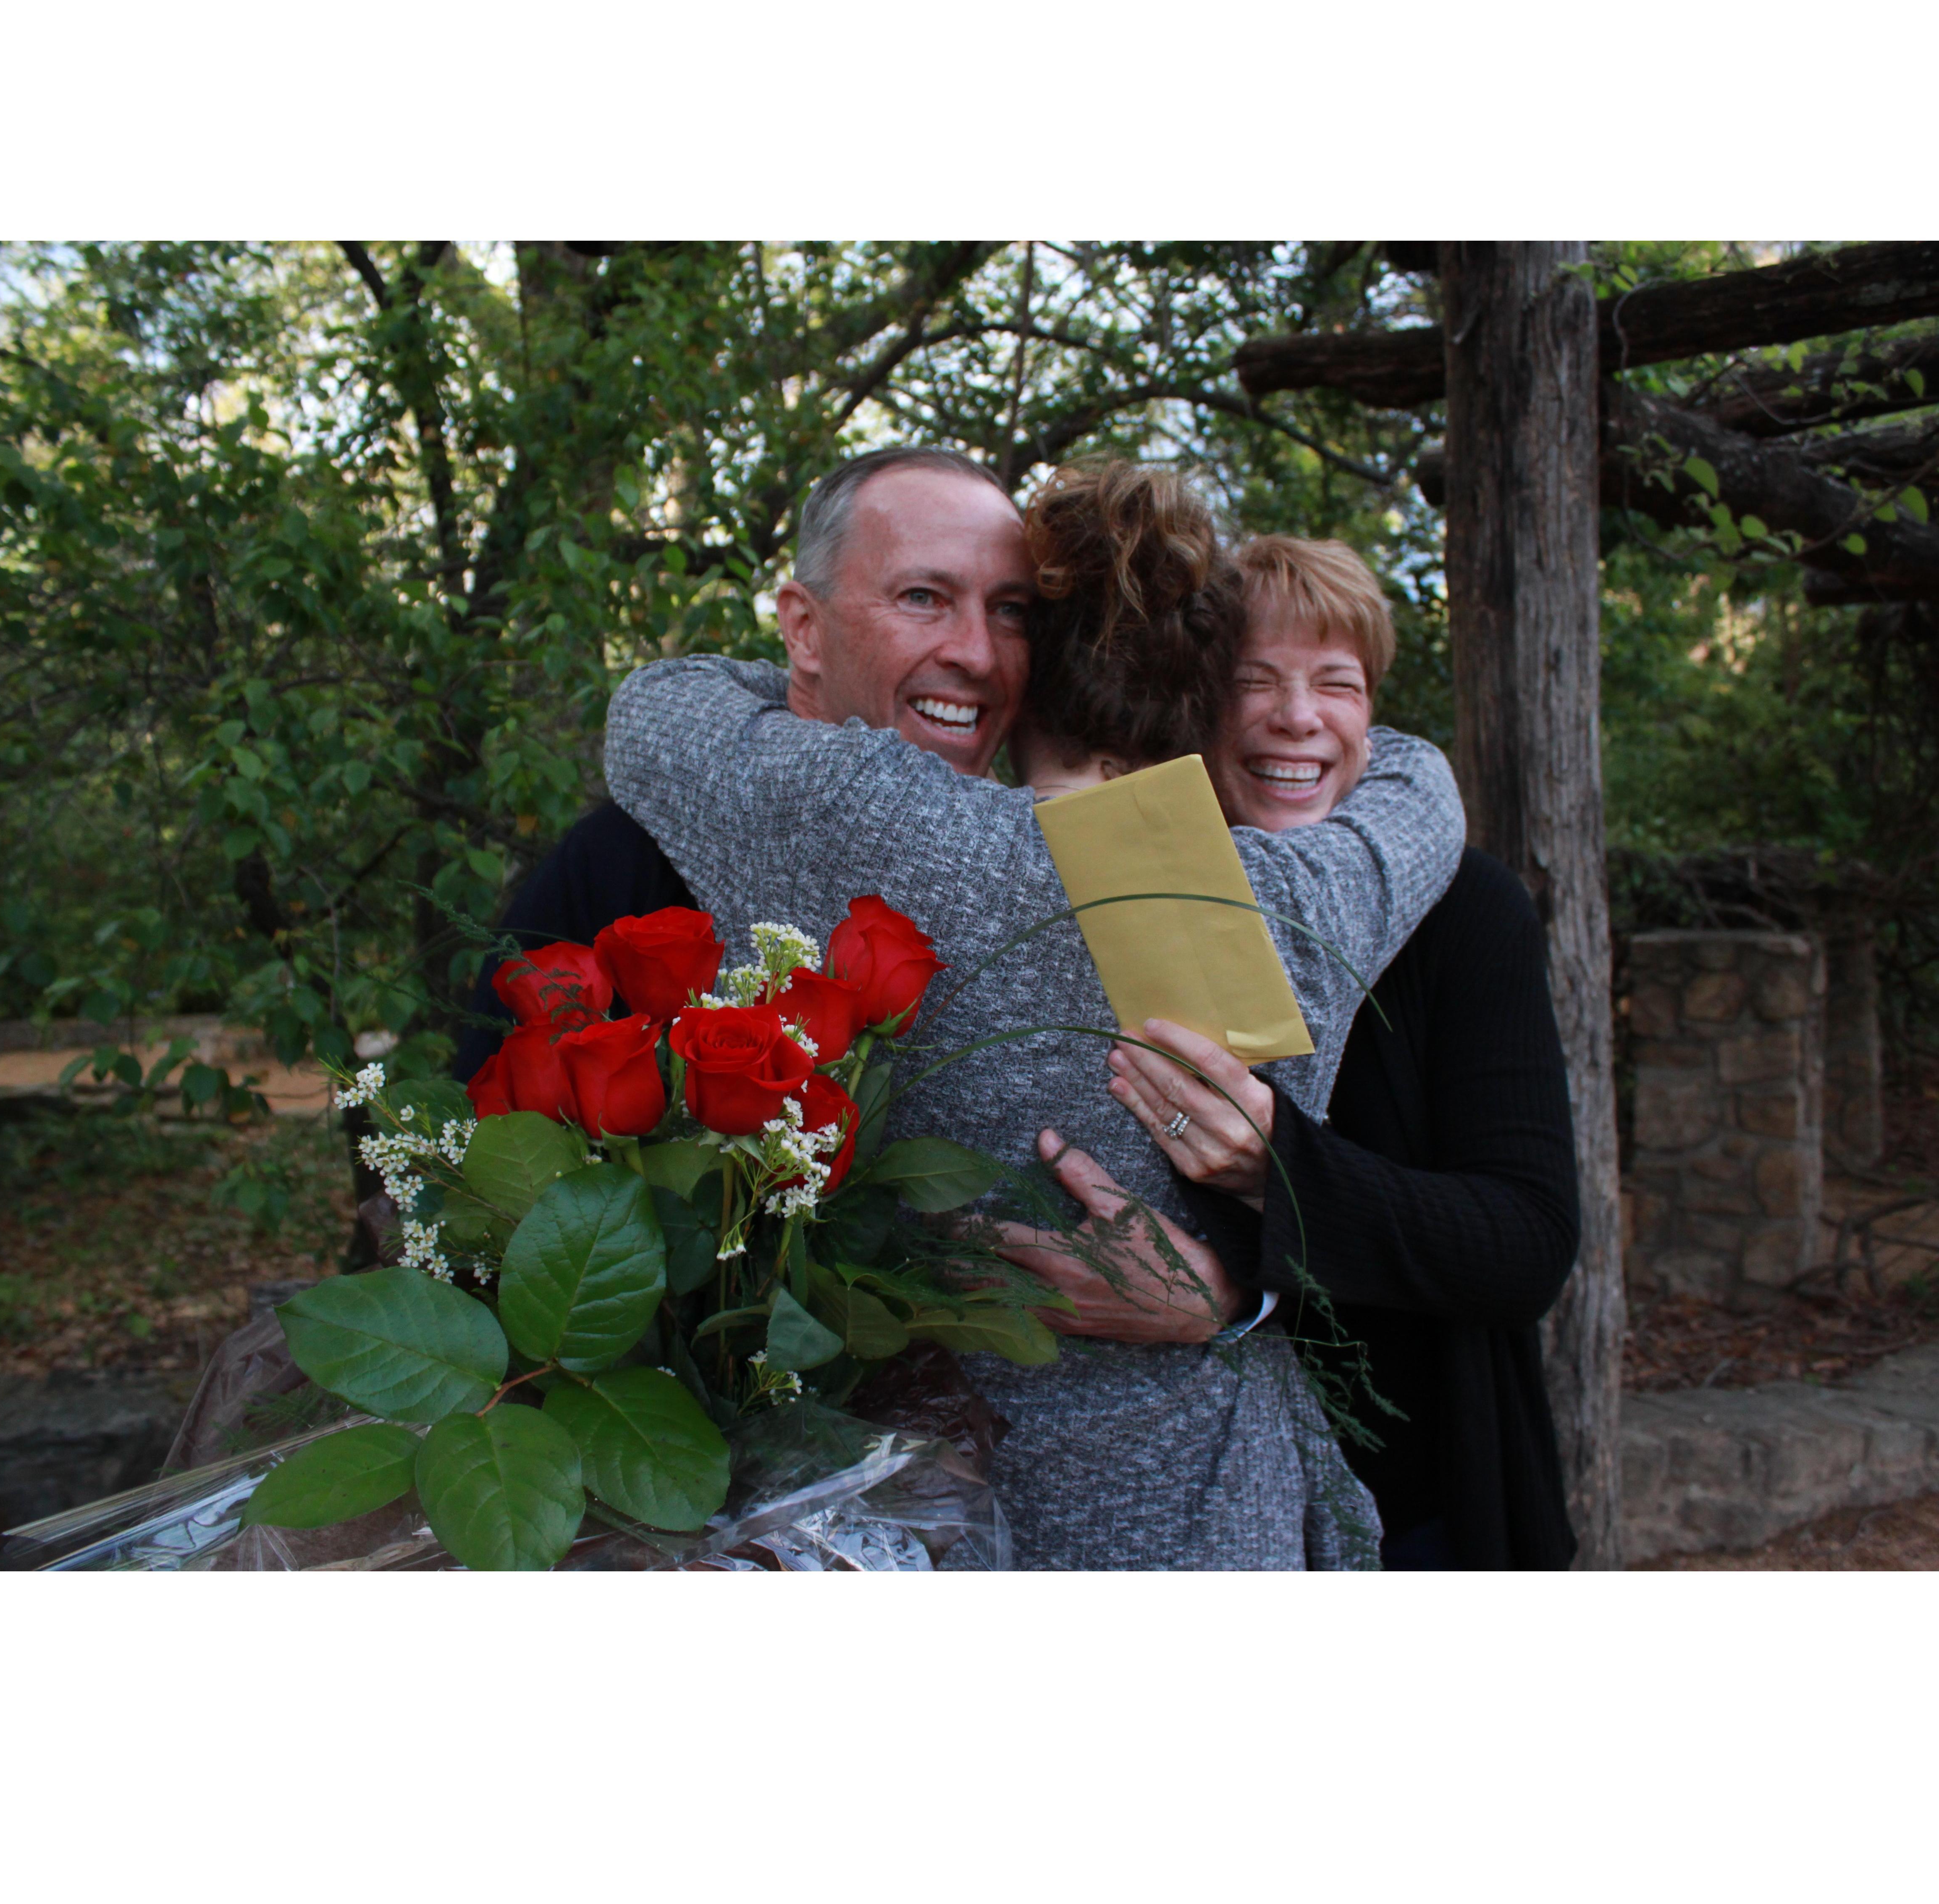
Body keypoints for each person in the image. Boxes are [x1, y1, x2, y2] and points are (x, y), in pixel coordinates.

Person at [601, 461, 1466, 1568]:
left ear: (1022, 678)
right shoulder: (1300, 892)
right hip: (1210, 1523)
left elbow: (656, 710)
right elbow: (1419, 787)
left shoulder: (873, 819)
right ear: (1210, 703)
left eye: (1006, 618)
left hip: (911, 1513)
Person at [1100, 533, 1582, 1570]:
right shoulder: (1129, 897)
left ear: (1372, 714)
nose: (1298, 717)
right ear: (1194, 704)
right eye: (1254, 682)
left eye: (1338, 684)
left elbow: (1527, 1239)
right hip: (1175, 1513)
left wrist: (1279, 1177)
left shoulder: (1468, 910)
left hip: (1418, 1497)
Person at [452, 446, 1035, 1083]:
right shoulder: (629, 870)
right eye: (923, 597)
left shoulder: (1064, 871)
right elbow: (487, 1155)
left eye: (1011, 610)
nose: (979, 655)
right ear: (805, 629)